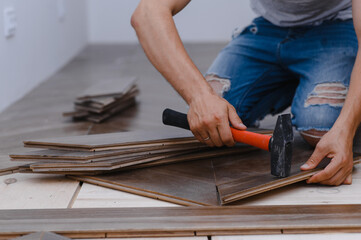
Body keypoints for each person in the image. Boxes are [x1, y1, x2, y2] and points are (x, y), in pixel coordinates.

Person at [131, 0, 361, 186]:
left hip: (339, 26)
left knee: (321, 129)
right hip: (269, 29)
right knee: (215, 120)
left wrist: (346, 127)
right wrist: (200, 97)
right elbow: (148, 13)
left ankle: (321, 83)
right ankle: (301, 82)